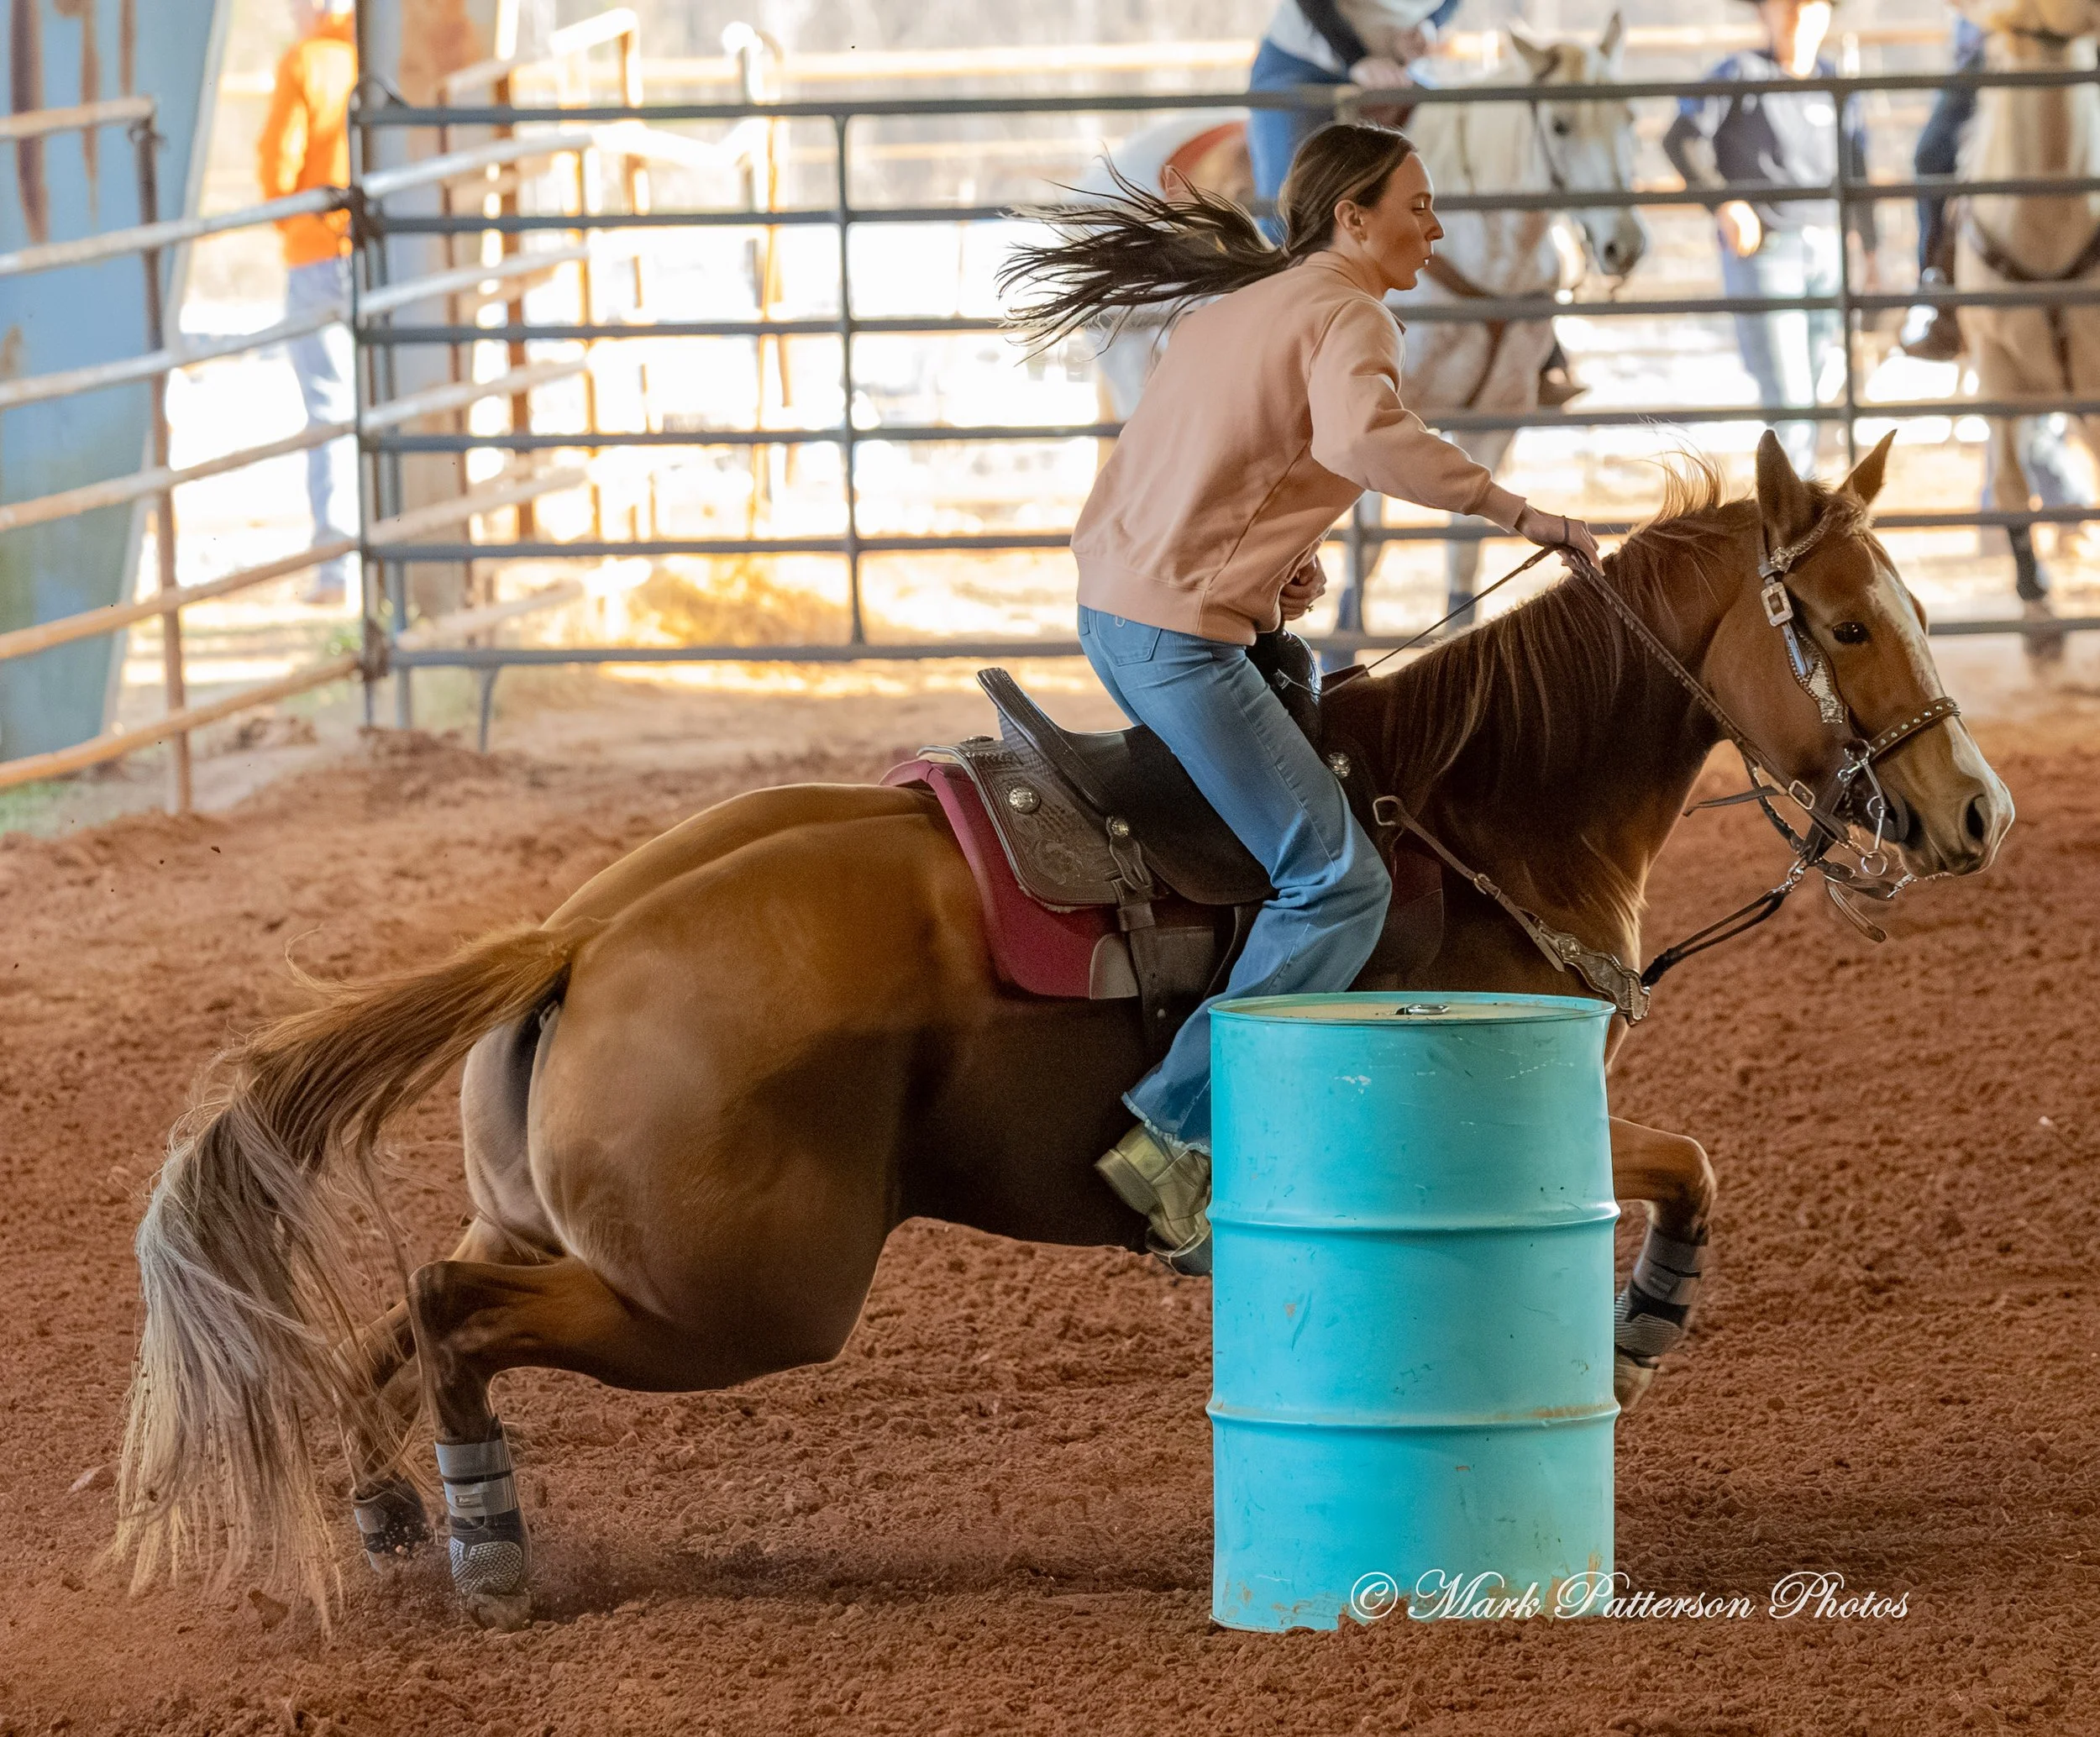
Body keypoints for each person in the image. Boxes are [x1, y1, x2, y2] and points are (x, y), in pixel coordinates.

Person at [999, 123, 1599, 1270]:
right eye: (1416, 206)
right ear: (1352, 219)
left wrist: (1270, 558)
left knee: (1312, 746)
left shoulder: (1240, 309)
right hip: (1179, 636)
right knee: (1334, 878)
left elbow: (1198, 455)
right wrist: (1524, 514)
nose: (1435, 227)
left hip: (1120, 605)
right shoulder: (1353, 315)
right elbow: (1368, 440)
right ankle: (1168, 1133)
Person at [1663, 0, 1875, 475]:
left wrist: (1871, 248)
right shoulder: (1740, 72)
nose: (1798, 14)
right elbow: (1682, 138)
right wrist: (1724, 202)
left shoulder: (1834, 83)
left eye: (1810, 5)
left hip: (1827, 249)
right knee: (1790, 398)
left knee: (1814, 392)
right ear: (1765, 13)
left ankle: (1793, 510)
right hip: (1768, 252)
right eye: (1787, 4)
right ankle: (1792, 521)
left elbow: (1857, 165)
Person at [259, 0, 360, 607]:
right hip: (379, 251)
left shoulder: (305, 64)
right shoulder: (367, 56)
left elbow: (279, 169)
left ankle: (335, 569)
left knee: (327, 409)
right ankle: (392, 555)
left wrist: (291, 222)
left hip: (316, 253)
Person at [1246, 0, 1460, 228]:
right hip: (1304, 63)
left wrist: (1431, 23)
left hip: (1397, 69)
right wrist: (1356, 57)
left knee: (1448, 172)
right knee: (1291, 208)